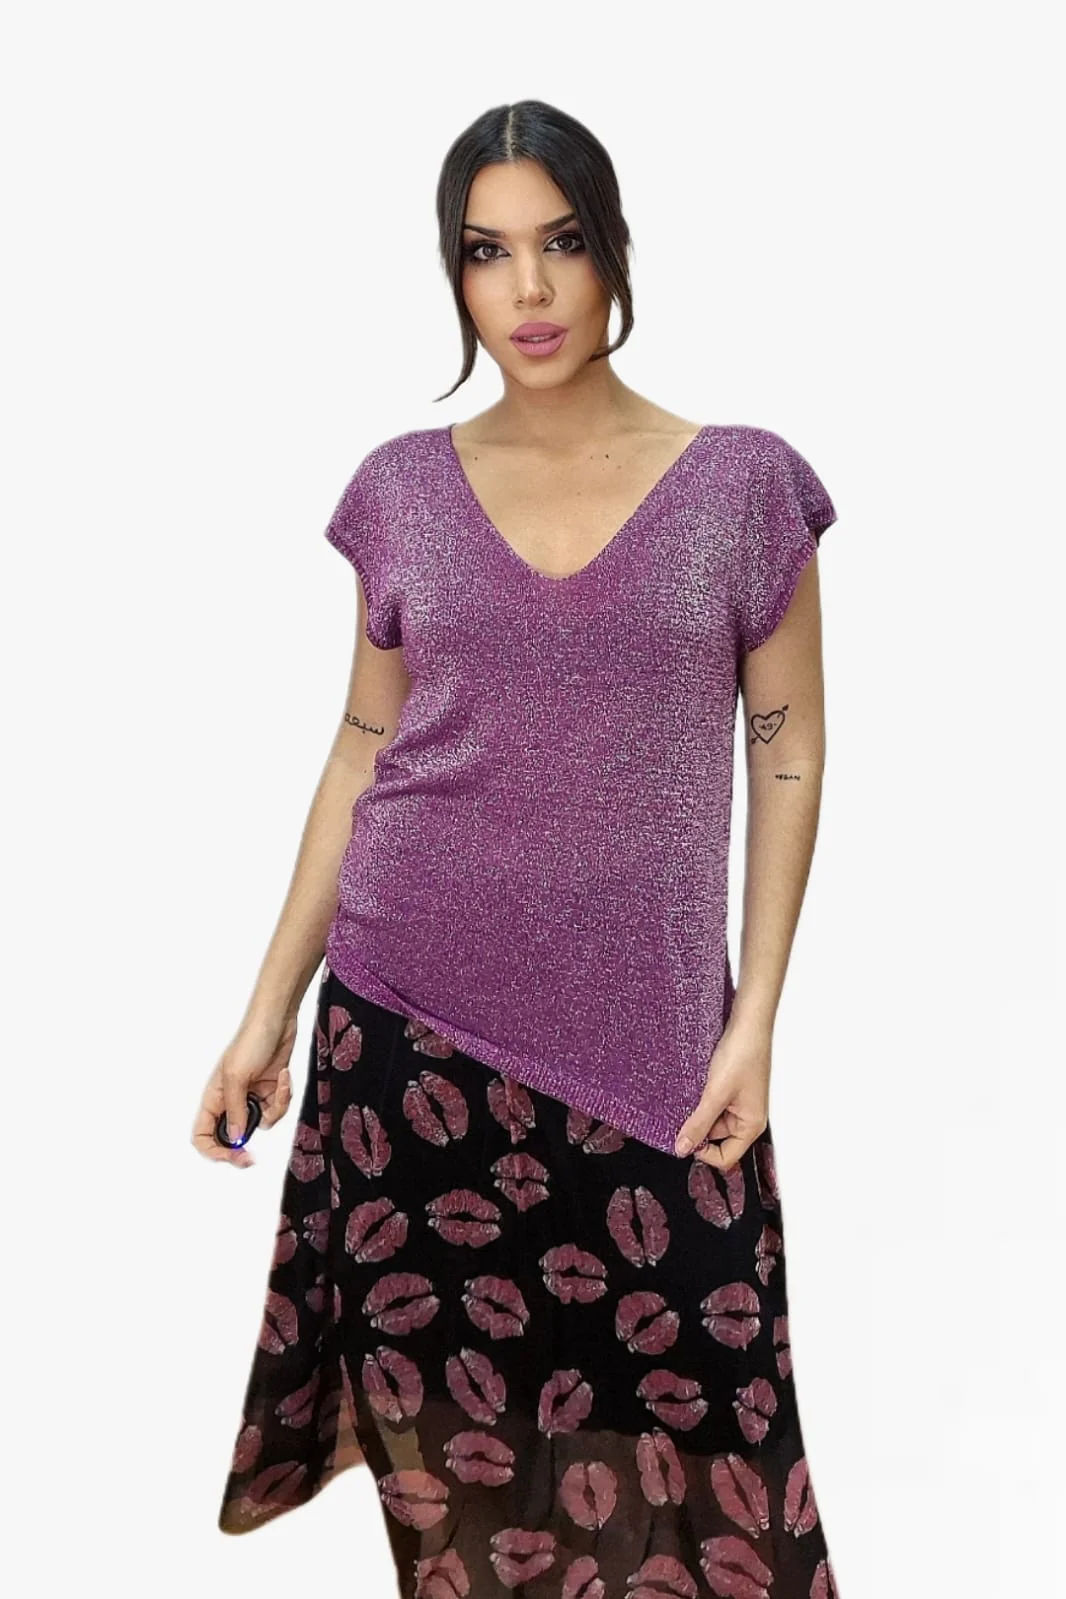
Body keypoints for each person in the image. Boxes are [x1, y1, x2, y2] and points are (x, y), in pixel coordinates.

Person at [195, 98, 843, 1599]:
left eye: (561, 243)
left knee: (713, 1471)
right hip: (407, 1038)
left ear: (614, 250)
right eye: (487, 254)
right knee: (464, 1486)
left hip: (654, 1051)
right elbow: (362, 747)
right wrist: (265, 1013)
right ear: (455, 275)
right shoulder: (401, 490)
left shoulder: (743, 486)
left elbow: (789, 749)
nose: (530, 290)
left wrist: (754, 1018)